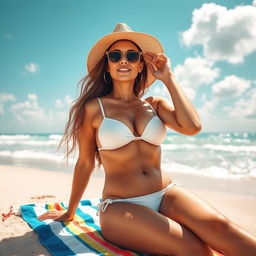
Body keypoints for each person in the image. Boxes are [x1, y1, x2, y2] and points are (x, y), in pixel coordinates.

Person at [38, 23, 256, 256]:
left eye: (131, 55)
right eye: (115, 56)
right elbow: (85, 163)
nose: (124, 60)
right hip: (121, 206)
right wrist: (70, 211)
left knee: (221, 228)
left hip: (167, 193)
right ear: (108, 66)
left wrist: (169, 78)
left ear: (141, 65)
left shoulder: (154, 105)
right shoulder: (93, 109)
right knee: (195, 249)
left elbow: (193, 127)